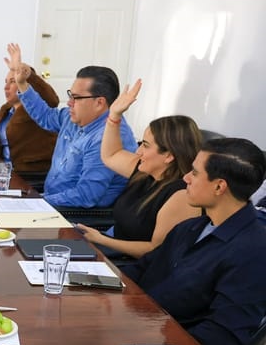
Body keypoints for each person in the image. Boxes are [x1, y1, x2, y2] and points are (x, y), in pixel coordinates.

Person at [122, 137, 266, 345]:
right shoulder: (191, 227)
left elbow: (222, 335)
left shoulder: (253, 250)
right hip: (138, 325)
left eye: (195, 173)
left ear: (219, 187)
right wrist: (94, 287)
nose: (185, 178)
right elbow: (142, 268)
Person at [75, 79, 203, 258]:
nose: (138, 151)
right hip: (109, 245)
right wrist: (114, 115)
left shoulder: (181, 195)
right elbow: (111, 155)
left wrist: (102, 240)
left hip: (128, 262)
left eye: (146, 145)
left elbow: (156, 252)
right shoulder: (146, 171)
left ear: (169, 155)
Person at [5, 43, 135, 207]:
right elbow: (46, 116)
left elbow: (86, 195)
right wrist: (22, 84)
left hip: (75, 214)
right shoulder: (72, 116)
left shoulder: (107, 138)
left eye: (76, 98)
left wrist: (36, 203)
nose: (69, 103)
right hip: (50, 202)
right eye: (70, 95)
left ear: (99, 103)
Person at [0, 66, 59, 175]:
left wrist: (29, 75)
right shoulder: (6, 109)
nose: (6, 87)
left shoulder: (35, 109)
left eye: (12, 82)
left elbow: (52, 100)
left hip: (29, 173)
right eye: (6, 82)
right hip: (4, 170)